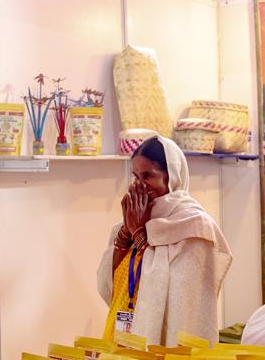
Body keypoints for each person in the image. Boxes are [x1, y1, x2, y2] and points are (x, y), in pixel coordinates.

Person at [97, 136, 232, 346]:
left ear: (172, 176)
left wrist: (140, 233)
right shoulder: (133, 221)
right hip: (121, 331)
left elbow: (182, 302)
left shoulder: (195, 225)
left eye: (148, 176)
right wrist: (126, 232)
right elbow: (110, 285)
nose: (139, 186)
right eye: (136, 177)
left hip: (163, 343)